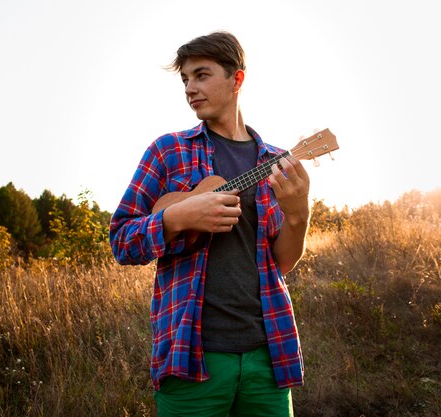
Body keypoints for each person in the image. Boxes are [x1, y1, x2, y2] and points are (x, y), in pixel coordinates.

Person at [110, 31, 310, 417]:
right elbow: (121, 240)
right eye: (185, 79)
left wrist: (299, 214)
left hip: (267, 351)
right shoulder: (168, 151)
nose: (189, 88)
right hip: (191, 354)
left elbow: (279, 264)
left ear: (237, 80)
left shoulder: (277, 161)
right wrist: (179, 216)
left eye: (201, 75)